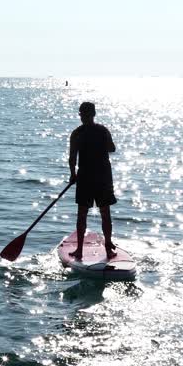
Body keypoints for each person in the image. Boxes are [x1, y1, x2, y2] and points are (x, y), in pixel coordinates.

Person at [68, 101, 117, 260]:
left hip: (88, 177)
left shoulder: (77, 133)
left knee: (85, 213)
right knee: (104, 212)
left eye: (84, 114)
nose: (83, 117)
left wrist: (72, 174)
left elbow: (72, 158)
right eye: (82, 114)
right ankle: (105, 248)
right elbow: (112, 148)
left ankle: (82, 250)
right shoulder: (102, 131)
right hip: (100, 176)